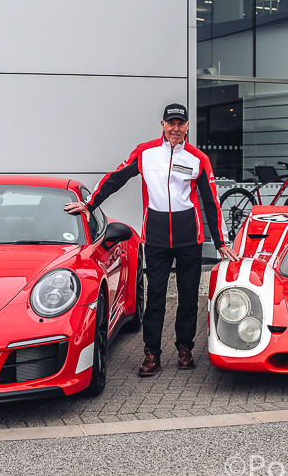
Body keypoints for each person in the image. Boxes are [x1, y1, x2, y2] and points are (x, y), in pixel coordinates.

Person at [65, 103, 239, 377]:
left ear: (187, 127)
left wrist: (220, 241)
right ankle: (152, 354)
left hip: (188, 238)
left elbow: (211, 201)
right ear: (163, 125)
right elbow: (116, 178)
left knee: (188, 296)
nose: (176, 129)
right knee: (156, 297)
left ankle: (185, 348)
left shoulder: (198, 159)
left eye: (181, 124)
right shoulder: (146, 152)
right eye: (171, 123)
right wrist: (89, 203)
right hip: (156, 237)